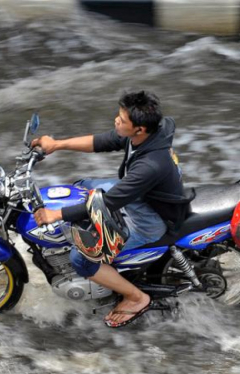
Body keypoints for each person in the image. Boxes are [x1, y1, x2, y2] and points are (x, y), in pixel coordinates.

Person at [32, 91, 186, 328]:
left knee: (81, 258)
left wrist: (56, 214)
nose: (116, 120)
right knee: (82, 187)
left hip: (149, 220)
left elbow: (108, 203)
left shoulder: (150, 165)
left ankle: (136, 298)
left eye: (122, 120)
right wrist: (57, 144)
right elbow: (104, 141)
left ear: (140, 129)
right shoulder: (150, 132)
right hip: (143, 195)